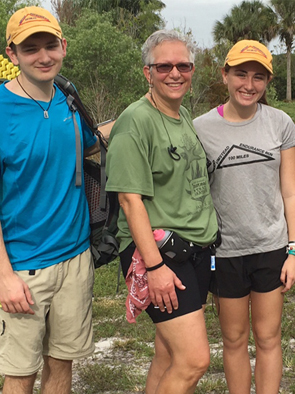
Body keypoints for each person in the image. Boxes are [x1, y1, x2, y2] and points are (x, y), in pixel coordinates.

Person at [0, 6, 103, 394]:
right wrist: (4, 275)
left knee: (62, 363)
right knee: (20, 373)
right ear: (13, 54)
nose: (43, 56)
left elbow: (93, 143)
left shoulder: (68, 100)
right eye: (30, 49)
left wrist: (145, 111)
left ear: (64, 46)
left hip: (75, 259)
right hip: (22, 269)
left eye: (50, 45)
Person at [104, 30, 219, 394]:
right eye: (164, 66)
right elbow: (129, 201)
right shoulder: (135, 122)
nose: (175, 73)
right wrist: (154, 268)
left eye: (183, 65)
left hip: (194, 249)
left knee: (167, 354)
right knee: (193, 360)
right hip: (160, 255)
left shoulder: (181, 112)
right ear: (147, 72)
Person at [193, 40, 295, 394]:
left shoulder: (280, 124)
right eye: (240, 73)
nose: (249, 84)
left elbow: (290, 191)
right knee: (234, 339)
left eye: (259, 77)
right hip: (225, 251)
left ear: (268, 82)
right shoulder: (200, 128)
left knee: (269, 337)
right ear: (224, 75)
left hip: (271, 247)